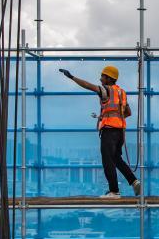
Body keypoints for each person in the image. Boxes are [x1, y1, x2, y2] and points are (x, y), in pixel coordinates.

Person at [59, 65, 142, 198]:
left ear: (109, 78)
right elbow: (128, 112)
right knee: (116, 158)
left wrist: (72, 77)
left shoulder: (106, 90)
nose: (100, 78)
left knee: (107, 160)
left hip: (109, 131)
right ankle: (134, 181)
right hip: (120, 131)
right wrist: (113, 117)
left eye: (103, 76)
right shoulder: (121, 92)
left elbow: (88, 85)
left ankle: (114, 191)